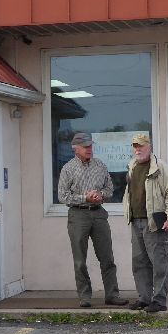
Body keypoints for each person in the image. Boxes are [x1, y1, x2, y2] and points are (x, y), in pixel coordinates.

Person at [57, 132, 129, 308]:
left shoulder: (100, 165)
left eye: (90, 146)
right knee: (80, 260)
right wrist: (85, 198)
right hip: (78, 214)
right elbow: (62, 196)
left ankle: (112, 295)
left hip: (98, 214)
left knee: (107, 257)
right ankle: (85, 296)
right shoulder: (68, 168)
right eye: (86, 147)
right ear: (76, 149)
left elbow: (110, 188)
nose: (89, 149)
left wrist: (100, 195)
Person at [122, 132, 168, 313]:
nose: (138, 149)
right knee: (139, 262)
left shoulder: (160, 167)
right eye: (135, 146)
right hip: (136, 221)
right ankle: (144, 299)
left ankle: (159, 300)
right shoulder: (132, 166)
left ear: (149, 147)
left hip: (155, 223)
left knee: (158, 261)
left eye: (141, 145)